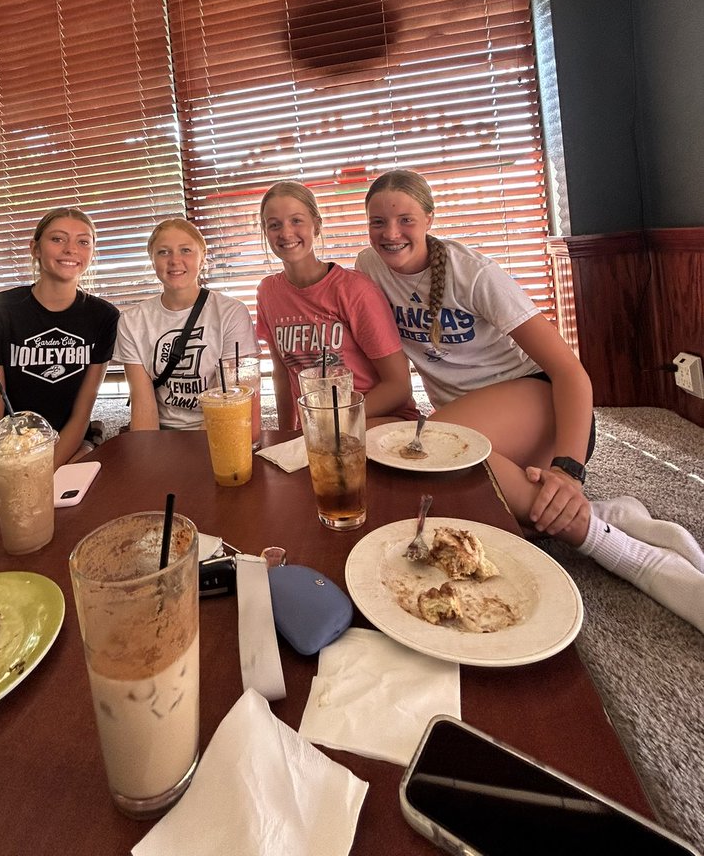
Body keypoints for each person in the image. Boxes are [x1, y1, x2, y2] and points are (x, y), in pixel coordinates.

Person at [356, 168, 704, 632]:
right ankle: (603, 514)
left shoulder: (475, 274)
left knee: (434, 444)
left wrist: (569, 469)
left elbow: (570, 372)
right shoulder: (368, 267)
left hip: (543, 408)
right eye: (378, 222)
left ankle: (637, 559)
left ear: (429, 219)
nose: (391, 233)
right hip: (477, 432)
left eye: (405, 220)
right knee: (381, 452)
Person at [0, 207, 119, 525]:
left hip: (70, 445)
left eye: (83, 242)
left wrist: (43, 471)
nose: (71, 249)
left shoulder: (104, 317)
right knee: (4, 526)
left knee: (76, 520)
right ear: (35, 247)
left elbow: (81, 414)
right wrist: (19, 469)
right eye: (57, 239)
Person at [256, 180, 418, 430]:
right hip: (319, 429)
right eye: (274, 225)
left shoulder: (354, 290)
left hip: (378, 420)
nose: (286, 233)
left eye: (296, 220)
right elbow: (282, 375)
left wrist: (336, 420)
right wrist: (286, 437)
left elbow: (398, 386)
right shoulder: (268, 292)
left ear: (316, 225)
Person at [114, 218, 258, 430]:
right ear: (152, 261)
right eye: (163, 252)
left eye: (186, 250)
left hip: (218, 428)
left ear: (202, 258)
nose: (174, 260)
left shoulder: (231, 312)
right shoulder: (131, 321)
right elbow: (143, 406)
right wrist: (146, 455)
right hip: (164, 432)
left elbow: (231, 400)